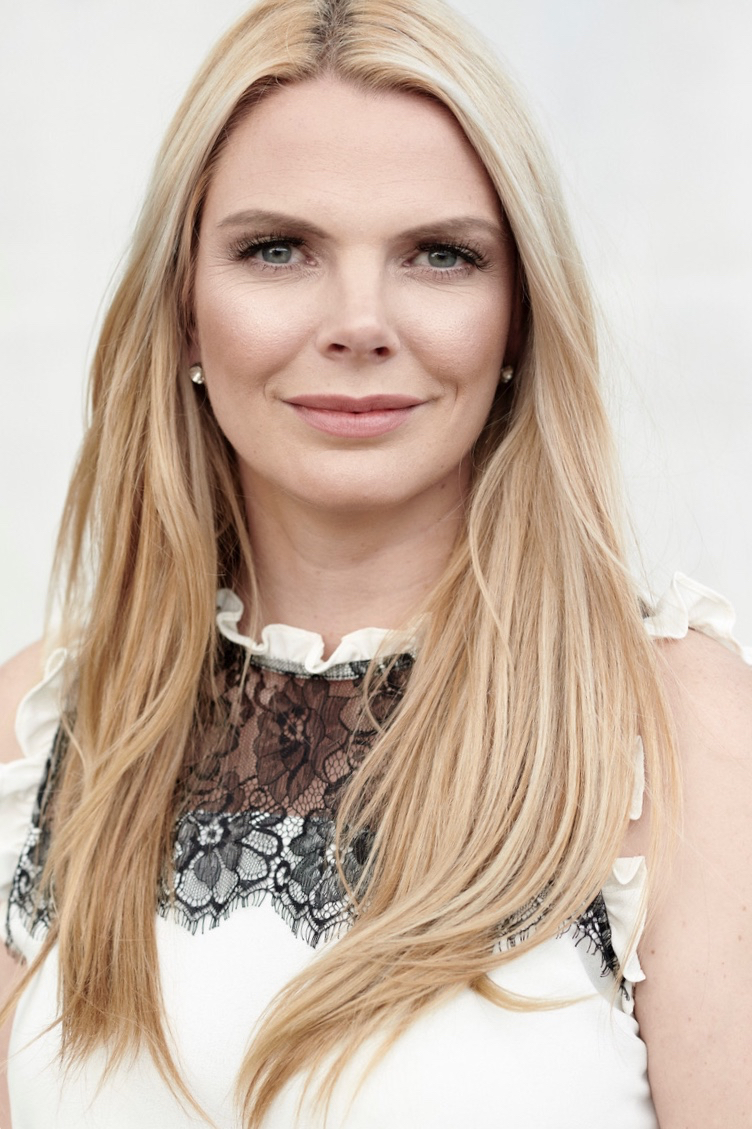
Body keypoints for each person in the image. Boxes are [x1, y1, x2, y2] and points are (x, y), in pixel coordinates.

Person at [1, 0, 750, 1125]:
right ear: (185, 312)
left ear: (517, 317)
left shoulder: (675, 732)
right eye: (277, 249)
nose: (360, 322)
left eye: (440, 255)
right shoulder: (42, 730)